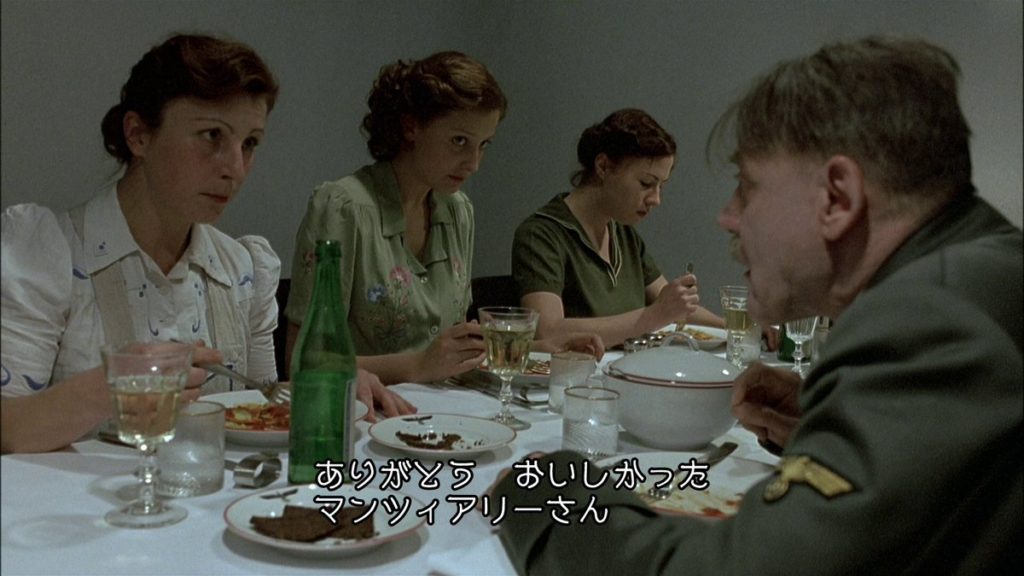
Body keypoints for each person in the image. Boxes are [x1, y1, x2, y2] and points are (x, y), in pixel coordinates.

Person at [491, 37, 1022, 574]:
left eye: (747, 186)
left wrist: (546, 493)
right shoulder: (975, 279)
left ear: (838, 197)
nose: (728, 216)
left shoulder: (931, 322)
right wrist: (827, 421)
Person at [0, 33, 404, 454]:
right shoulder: (47, 253)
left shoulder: (241, 267)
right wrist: (112, 387)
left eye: (249, 143)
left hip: (206, 491)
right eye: (212, 135)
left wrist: (324, 386)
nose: (236, 169)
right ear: (138, 135)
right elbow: (6, 429)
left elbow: (264, 400)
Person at [285, 51, 599, 384]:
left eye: (484, 145)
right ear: (411, 127)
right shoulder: (343, 207)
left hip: (449, 406)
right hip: (367, 407)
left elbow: (453, 351)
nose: (473, 163)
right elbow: (303, 361)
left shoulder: (458, 210)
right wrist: (418, 365)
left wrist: (537, 349)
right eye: (459, 141)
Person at [511, 109, 725, 349]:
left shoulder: (624, 234)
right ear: (603, 166)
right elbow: (547, 331)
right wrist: (653, 315)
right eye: (646, 183)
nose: (656, 199)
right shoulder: (542, 235)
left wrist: (734, 327)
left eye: (661, 186)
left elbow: (672, 307)